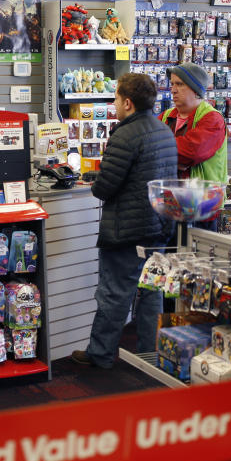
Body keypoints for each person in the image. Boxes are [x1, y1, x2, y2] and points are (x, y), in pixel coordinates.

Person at [71, 73, 177, 369]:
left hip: (126, 232)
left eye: (116, 98)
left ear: (127, 102)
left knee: (114, 295)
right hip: (158, 227)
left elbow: (104, 187)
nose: (114, 103)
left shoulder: (125, 134)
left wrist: (93, 181)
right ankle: (147, 356)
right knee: (151, 293)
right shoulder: (163, 131)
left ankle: (101, 354)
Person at [159, 61, 227, 229]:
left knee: (198, 254)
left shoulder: (213, 119)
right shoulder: (166, 115)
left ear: (196, 91)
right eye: (172, 84)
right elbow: (145, 143)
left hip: (202, 207)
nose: (173, 89)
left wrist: (159, 150)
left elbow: (189, 152)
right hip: (171, 205)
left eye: (180, 84)